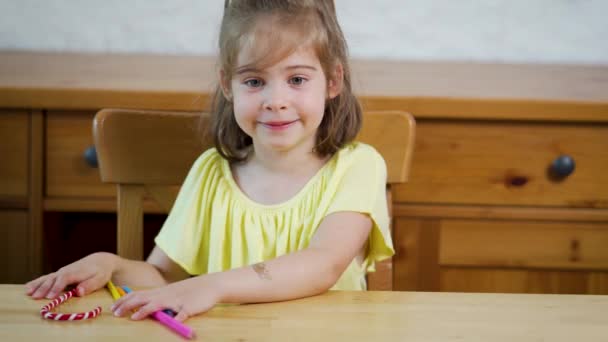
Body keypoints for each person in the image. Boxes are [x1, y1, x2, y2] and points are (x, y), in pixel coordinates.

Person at [25, 0, 393, 322]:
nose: (275, 100)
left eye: (296, 79)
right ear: (227, 85)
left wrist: (214, 286)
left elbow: (322, 264)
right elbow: (166, 279)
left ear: (333, 81)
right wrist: (112, 266)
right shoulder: (210, 173)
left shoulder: (358, 167)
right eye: (253, 81)